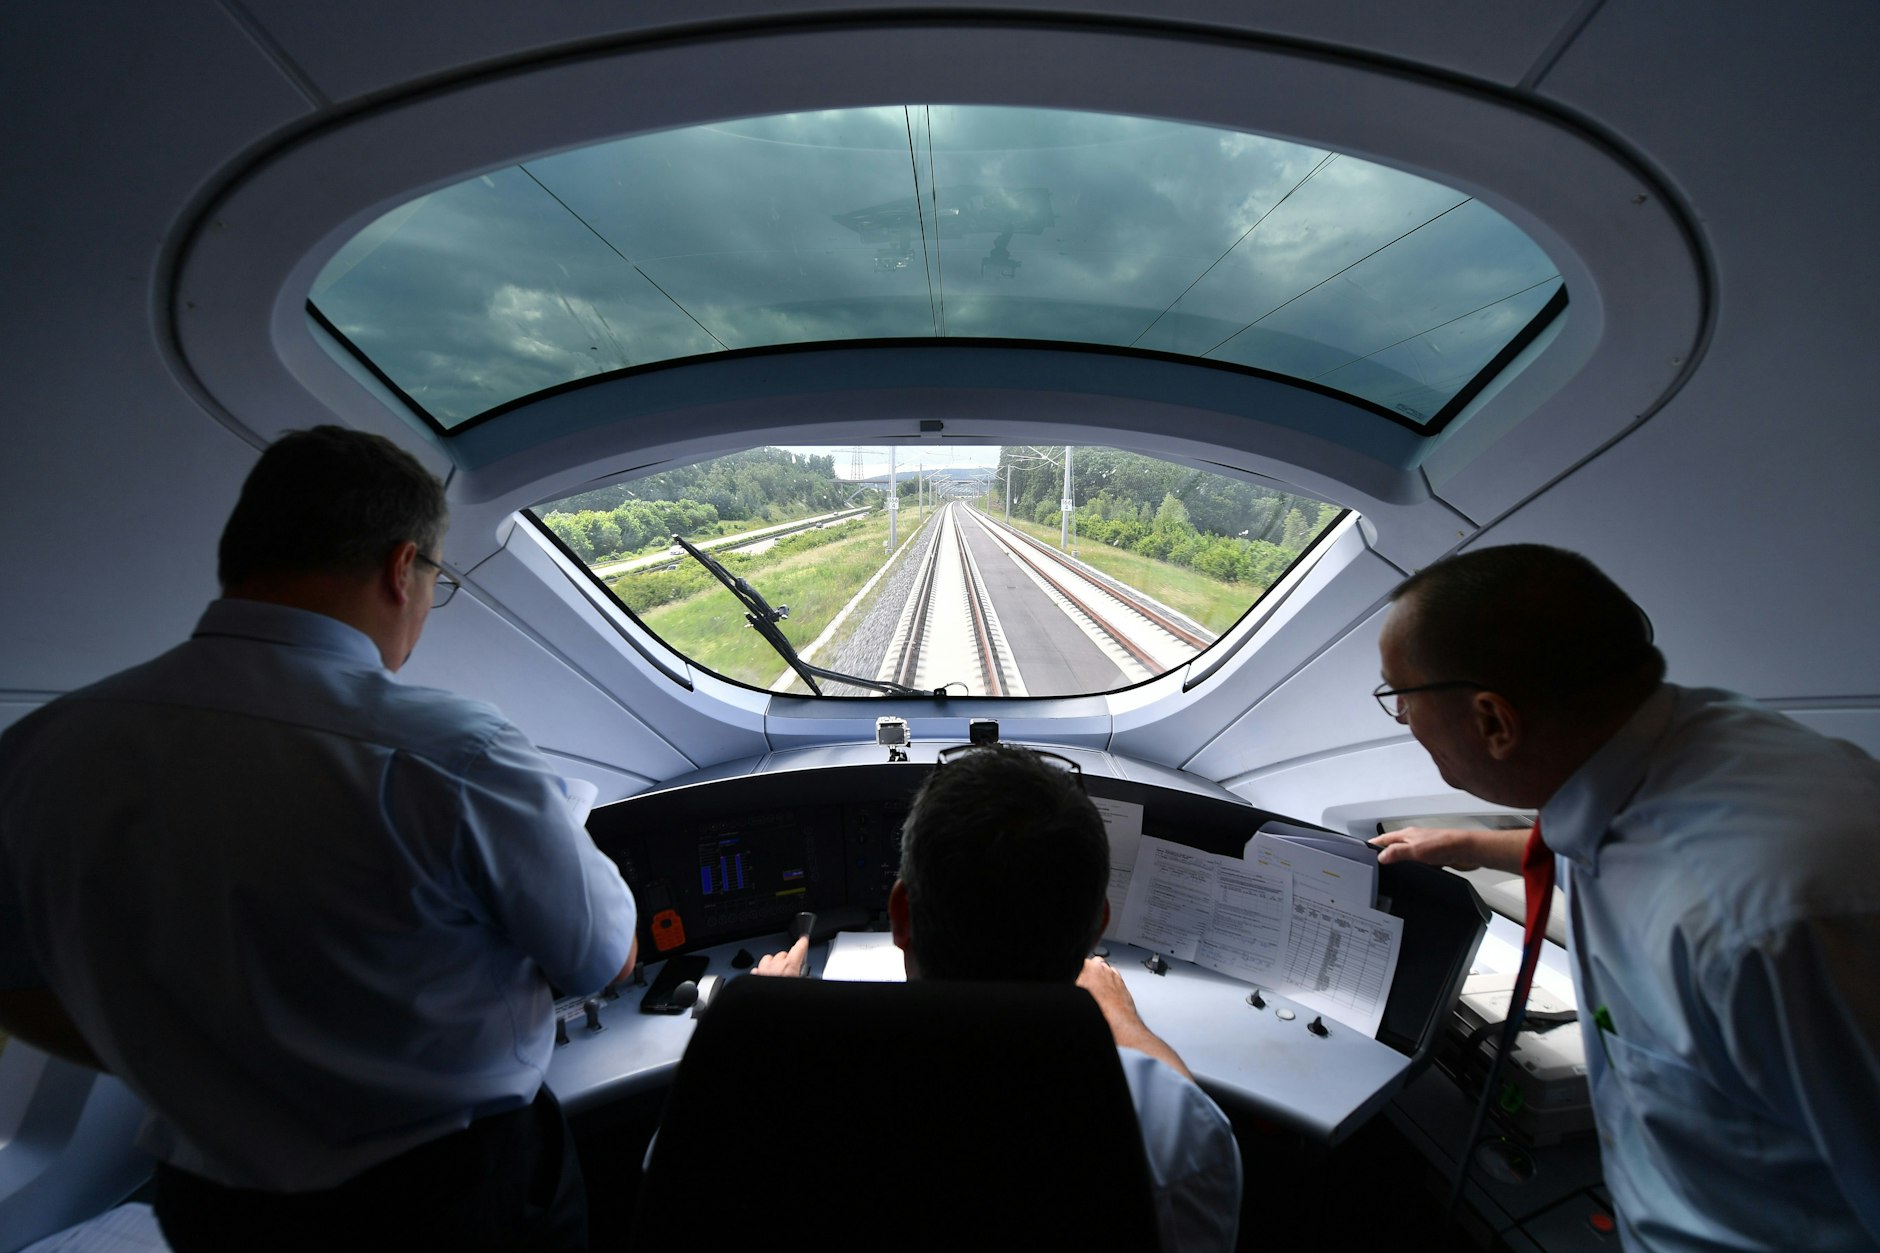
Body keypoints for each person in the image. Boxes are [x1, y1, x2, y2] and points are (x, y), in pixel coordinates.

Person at [0, 426, 639, 1251]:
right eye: (435, 580)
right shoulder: (451, 751)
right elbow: (603, 956)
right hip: (447, 1201)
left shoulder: (39, 748)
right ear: (401, 567)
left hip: (215, 1207)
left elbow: (15, 983)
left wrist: (189, 1062)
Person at [1368, 543, 1880, 1250]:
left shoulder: (1768, 922)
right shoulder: (1677, 753)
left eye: (1400, 695)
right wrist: (1468, 843)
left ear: (1494, 721)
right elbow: (1627, 853)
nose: (1400, 718)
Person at [755, 744, 1243, 1253]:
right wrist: (1123, 1020)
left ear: (901, 915)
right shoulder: (1175, 1133)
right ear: (1096, 927)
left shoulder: (751, 1093)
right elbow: (1191, 1115)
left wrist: (763, 1025)